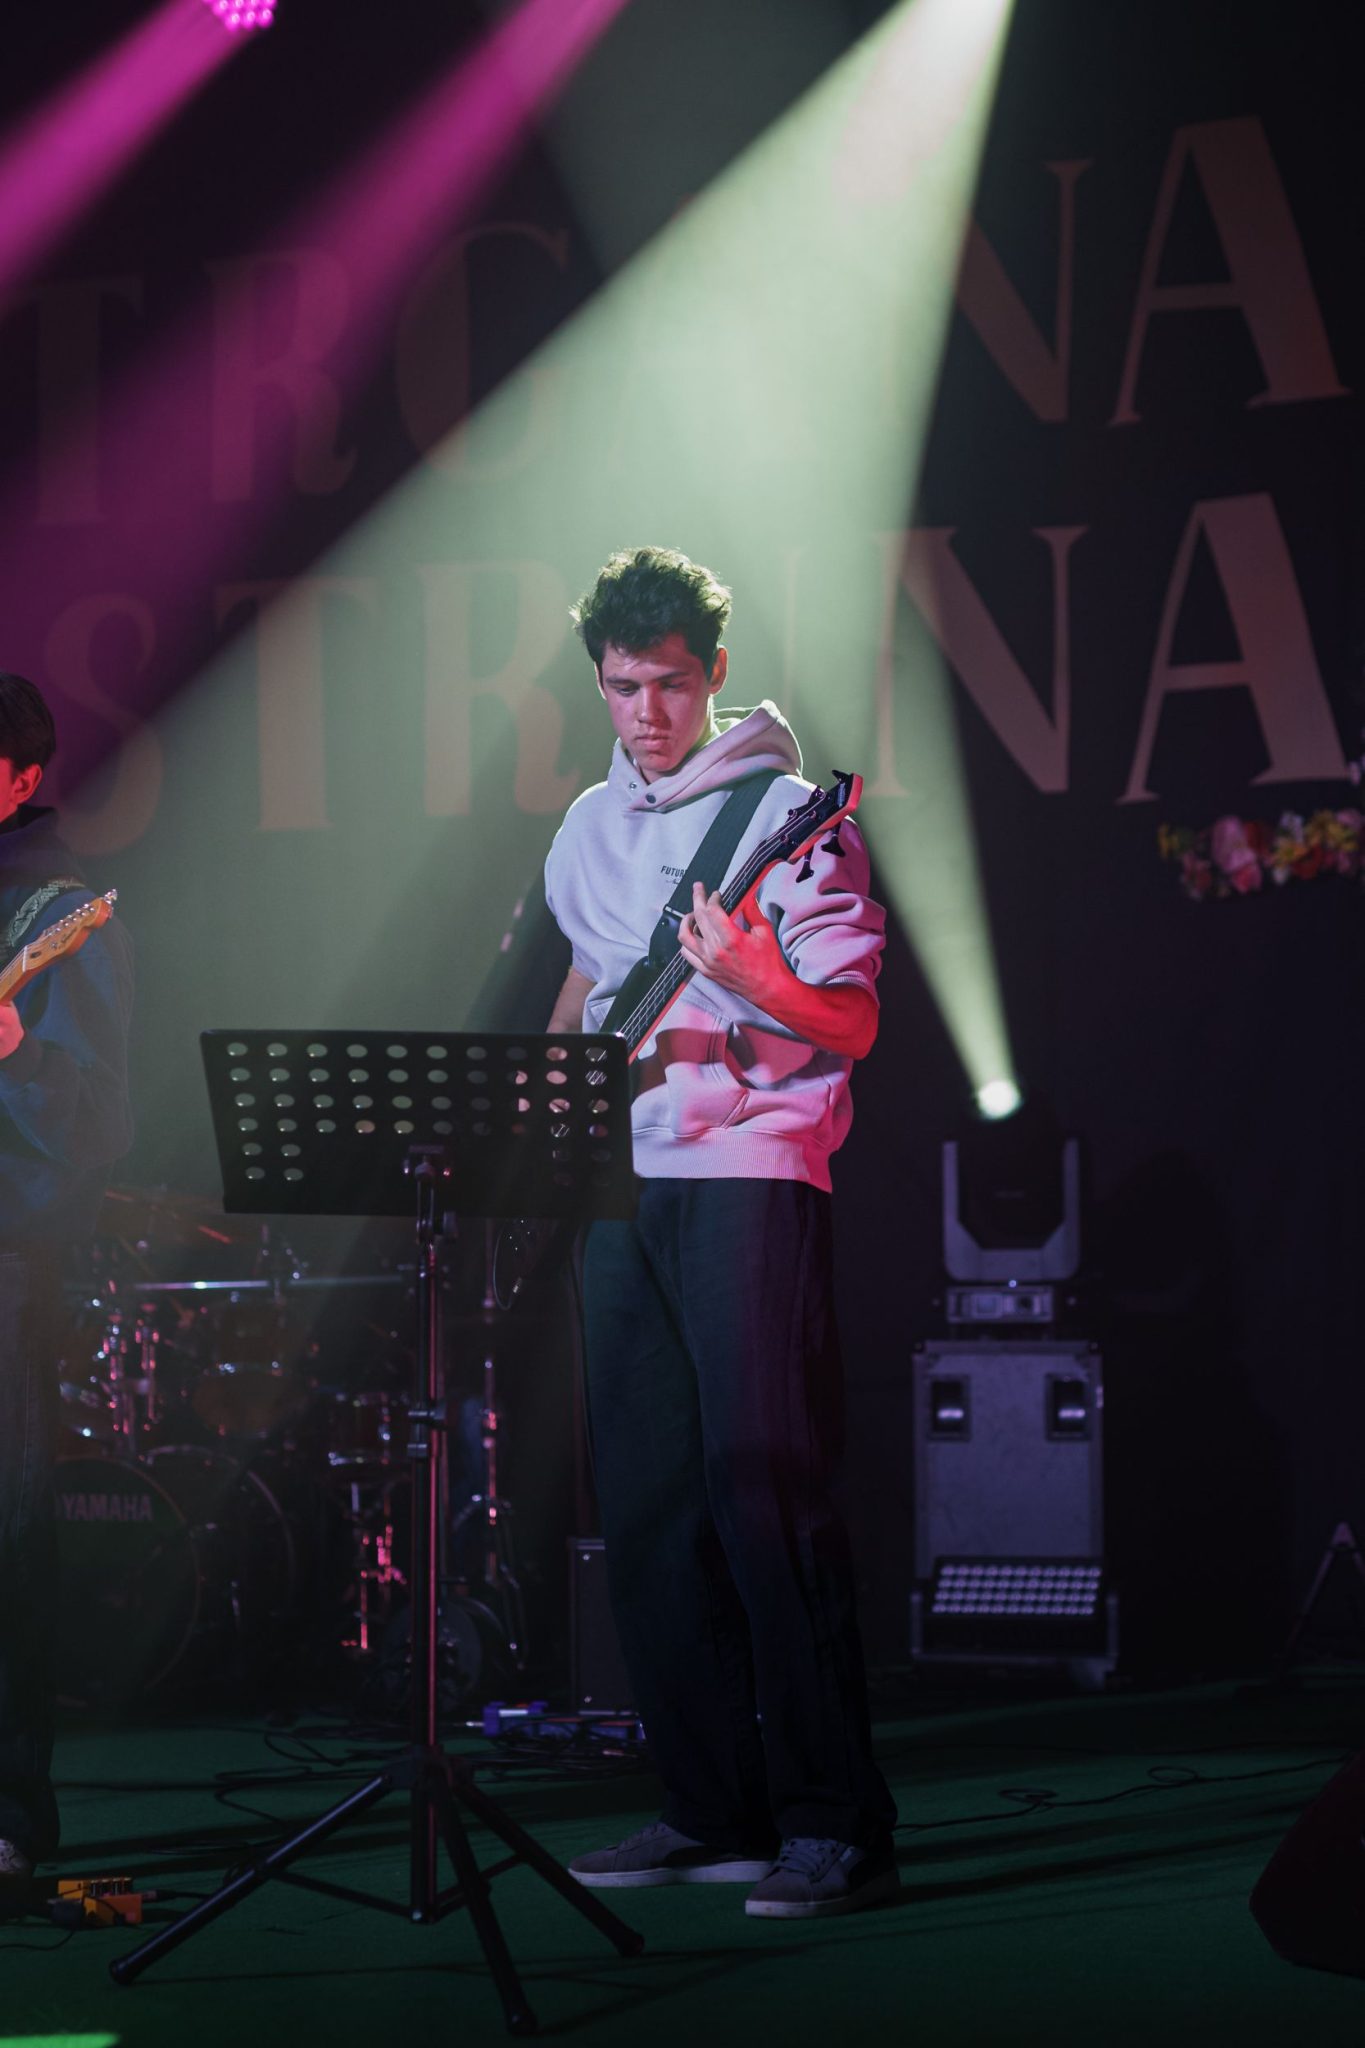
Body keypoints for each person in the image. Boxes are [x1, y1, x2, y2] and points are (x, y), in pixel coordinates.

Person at [544, 546, 897, 1919]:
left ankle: (835, 1823)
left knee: (766, 1497)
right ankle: (711, 1810)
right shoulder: (587, 822)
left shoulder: (793, 818)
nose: (648, 713)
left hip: (750, 1170)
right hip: (618, 1182)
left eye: (673, 685)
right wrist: (549, 1094)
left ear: (716, 676)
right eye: (623, 686)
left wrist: (758, 979)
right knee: (645, 1508)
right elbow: (589, 980)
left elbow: (853, 1020)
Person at [0, 672, 133, 1880]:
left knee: (4, 1534)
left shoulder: (59, 912)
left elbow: (99, 1128)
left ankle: (10, 1820)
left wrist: (22, 1054)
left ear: (24, 779)